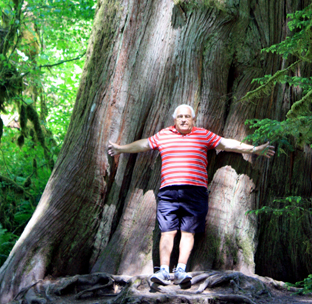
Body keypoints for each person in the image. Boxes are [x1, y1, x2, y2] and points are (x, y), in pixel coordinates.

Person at [107, 104, 275, 287]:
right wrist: (121, 149)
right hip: (168, 192)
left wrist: (253, 150)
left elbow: (226, 143)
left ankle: (180, 270)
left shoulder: (203, 134)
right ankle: (163, 271)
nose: (184, 119)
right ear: (175, 119)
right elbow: (145, 144)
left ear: (193, 119)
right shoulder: (164, 135)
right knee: (167, 232)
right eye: (180, 116)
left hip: (195, 192)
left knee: (188, 232)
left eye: (187, 116)